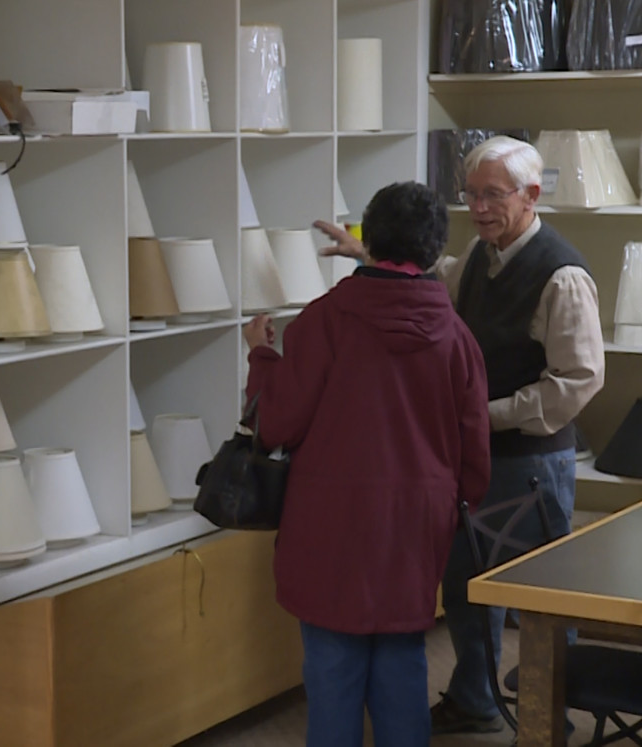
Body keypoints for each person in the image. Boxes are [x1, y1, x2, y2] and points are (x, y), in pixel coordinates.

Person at [316, 136, 606, 734]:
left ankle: (552, 716)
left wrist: (485, 414)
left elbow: (577, 381)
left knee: (540, 596)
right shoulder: (479, 254)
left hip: (531, 462)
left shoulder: (563, 275)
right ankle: (474, 701)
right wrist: (364, 252)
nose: (477, 207)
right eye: (470, 195)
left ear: (531, 195)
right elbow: (436, 277)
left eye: (491, 195)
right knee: (469, 585)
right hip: (473, 456)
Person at [243, 181, 491, 747]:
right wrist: (452, 512)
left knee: (332, 670)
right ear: (433, 251)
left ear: (369, 239)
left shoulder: (321, 323)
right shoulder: (457, 337)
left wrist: (261, 355)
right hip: (415, 524)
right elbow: (474, 451)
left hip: (329, 520)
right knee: (404, 663)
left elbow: (275, 424)